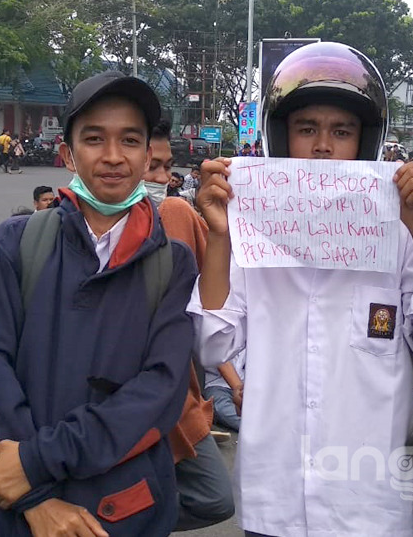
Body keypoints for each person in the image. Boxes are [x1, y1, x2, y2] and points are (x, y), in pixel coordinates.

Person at [190, 41, 413, 537]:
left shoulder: (401, 232)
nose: (323, 146)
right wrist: (220, 237)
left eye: (341, 131)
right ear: (281, 137)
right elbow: (211, 344)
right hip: (275, 500)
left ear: (365, 140)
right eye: (307, 129)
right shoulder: (250, 232)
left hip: (369, 505)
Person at [0, 70, 197, 536]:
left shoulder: (173, 263)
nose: (112, 156)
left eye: (129, 140)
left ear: (148, 156)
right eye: (93, 139)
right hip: (9, 509)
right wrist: (33, 499)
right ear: (67, 152)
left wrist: (37, 461)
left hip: (120, 510)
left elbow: (159, 395)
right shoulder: (16, 243)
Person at [143, 118, 235, 530]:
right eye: (154, 168)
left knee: (214, 499)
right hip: (107, 408)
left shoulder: (176, 213)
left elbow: (216, 299)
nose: (164, 178)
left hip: (178, 395)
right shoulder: (54, 238)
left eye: (167, 167)